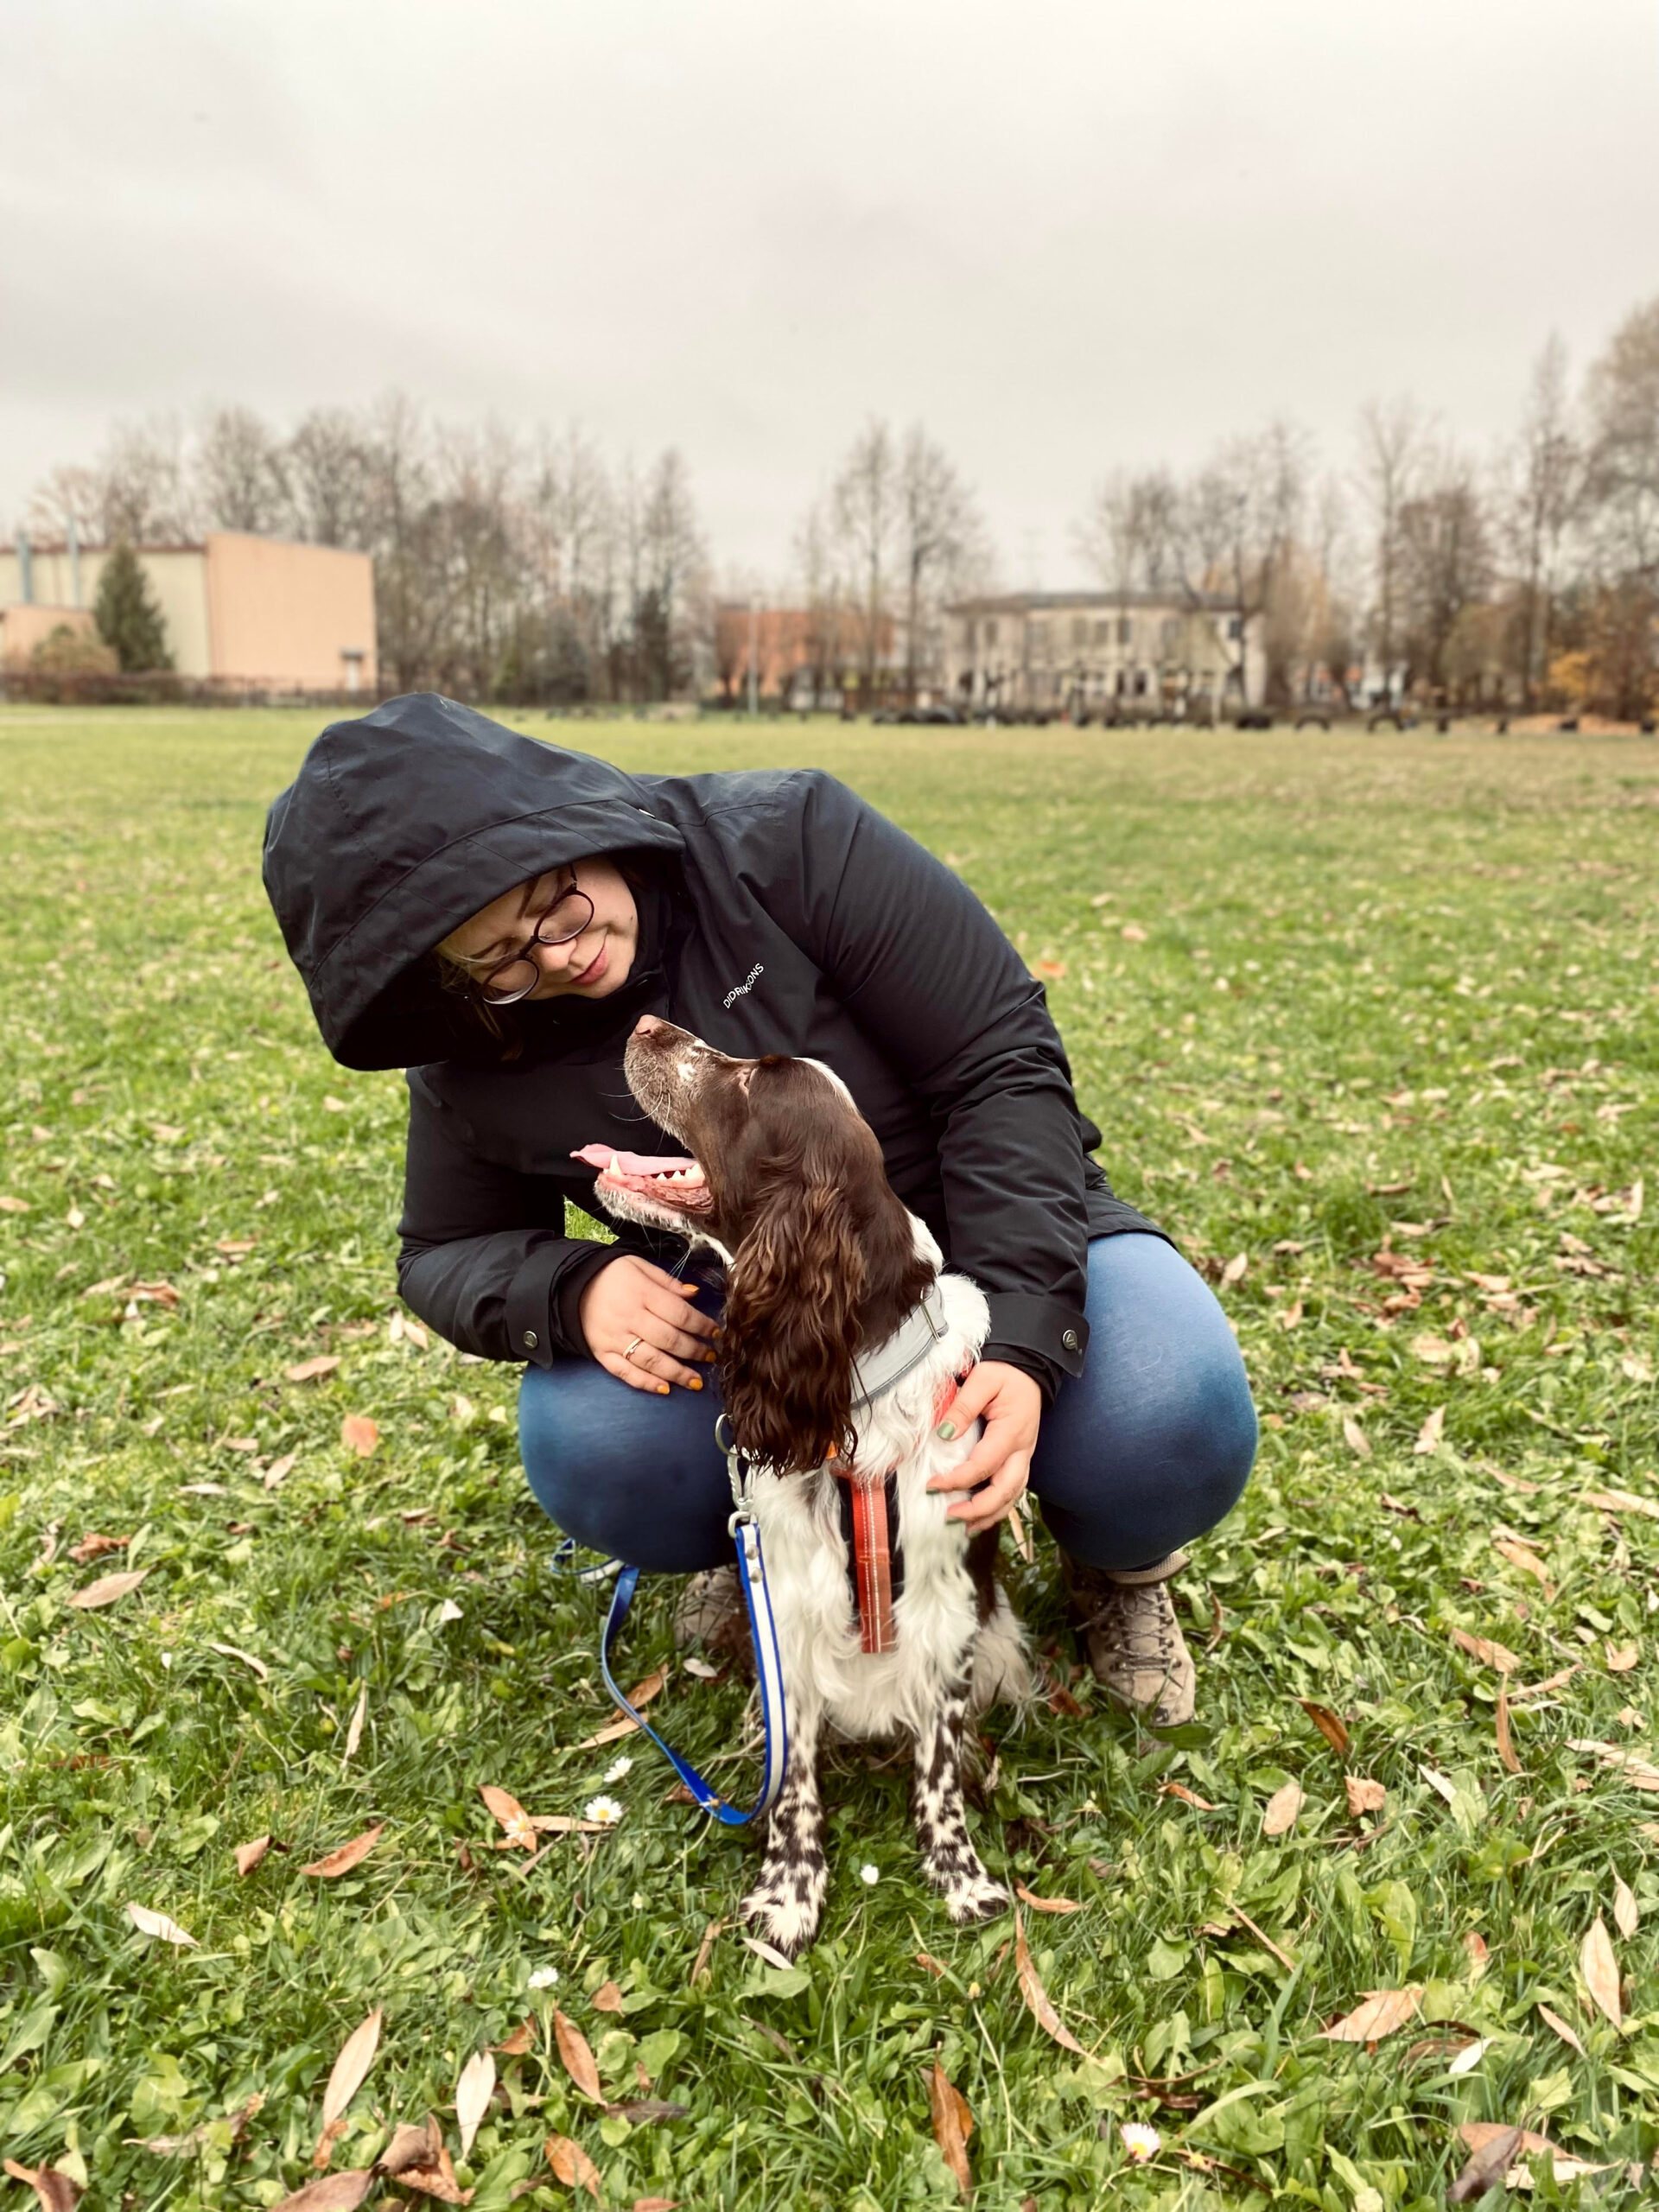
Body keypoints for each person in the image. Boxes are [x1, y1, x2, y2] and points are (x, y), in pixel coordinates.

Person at [263, 693, 1256, 1725]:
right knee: (598, 1445)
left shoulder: (788, 840)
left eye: (555, 907)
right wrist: (571, 1286)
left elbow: (997, 1064)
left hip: (986, 1229)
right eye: (501, 959)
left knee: (1164, 1406)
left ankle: (1121, 1563)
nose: (556, 957)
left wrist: (1024, 1331)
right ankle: (752, 1537)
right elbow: (443, 1246)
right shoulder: (470, 1040)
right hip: (770, 1301)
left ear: (572, 825)